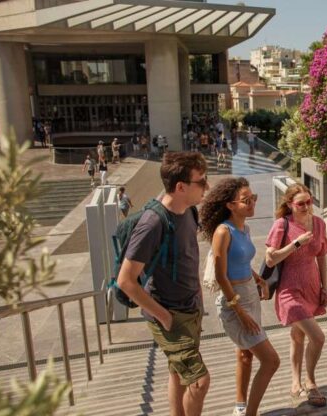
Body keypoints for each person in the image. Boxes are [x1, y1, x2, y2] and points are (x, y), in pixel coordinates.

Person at [116, 152, 210, 416]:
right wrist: (164, 316)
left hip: (190, 308)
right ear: (181, 187)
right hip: (169, 313)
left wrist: (198, 299)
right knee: (199, 381)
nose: (207, 186)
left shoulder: (189, 211)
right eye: (201, 181)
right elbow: (125, 281)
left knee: (178, 372)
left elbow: (189, 257)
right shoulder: (153, 223)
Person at [200, 178, 280, 416]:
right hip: (234, 301)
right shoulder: (223, 232)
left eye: (253, 198)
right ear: (230, 205)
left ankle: (240, 405)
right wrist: (239, 311)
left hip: (249, 295)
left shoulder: (245, 227)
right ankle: (250, 413)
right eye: (246, 200)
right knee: (271, 361)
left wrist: (259, 279)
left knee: (246, 354)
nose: (252, 203)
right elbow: (221, 276)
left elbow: (242, 261)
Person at [265, 184, 327, 407]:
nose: (305, 207)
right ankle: (310, 382)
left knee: (298, 334)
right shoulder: (282, 225)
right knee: (318, 337)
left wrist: (324, 287)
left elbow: (321, 256)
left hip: (311, 286)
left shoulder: (319, 224)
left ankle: (295, 381)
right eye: (300, 203)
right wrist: (296, 244)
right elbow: (270, 259)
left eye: (308, 202)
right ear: (290, 204)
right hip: (289, 290)